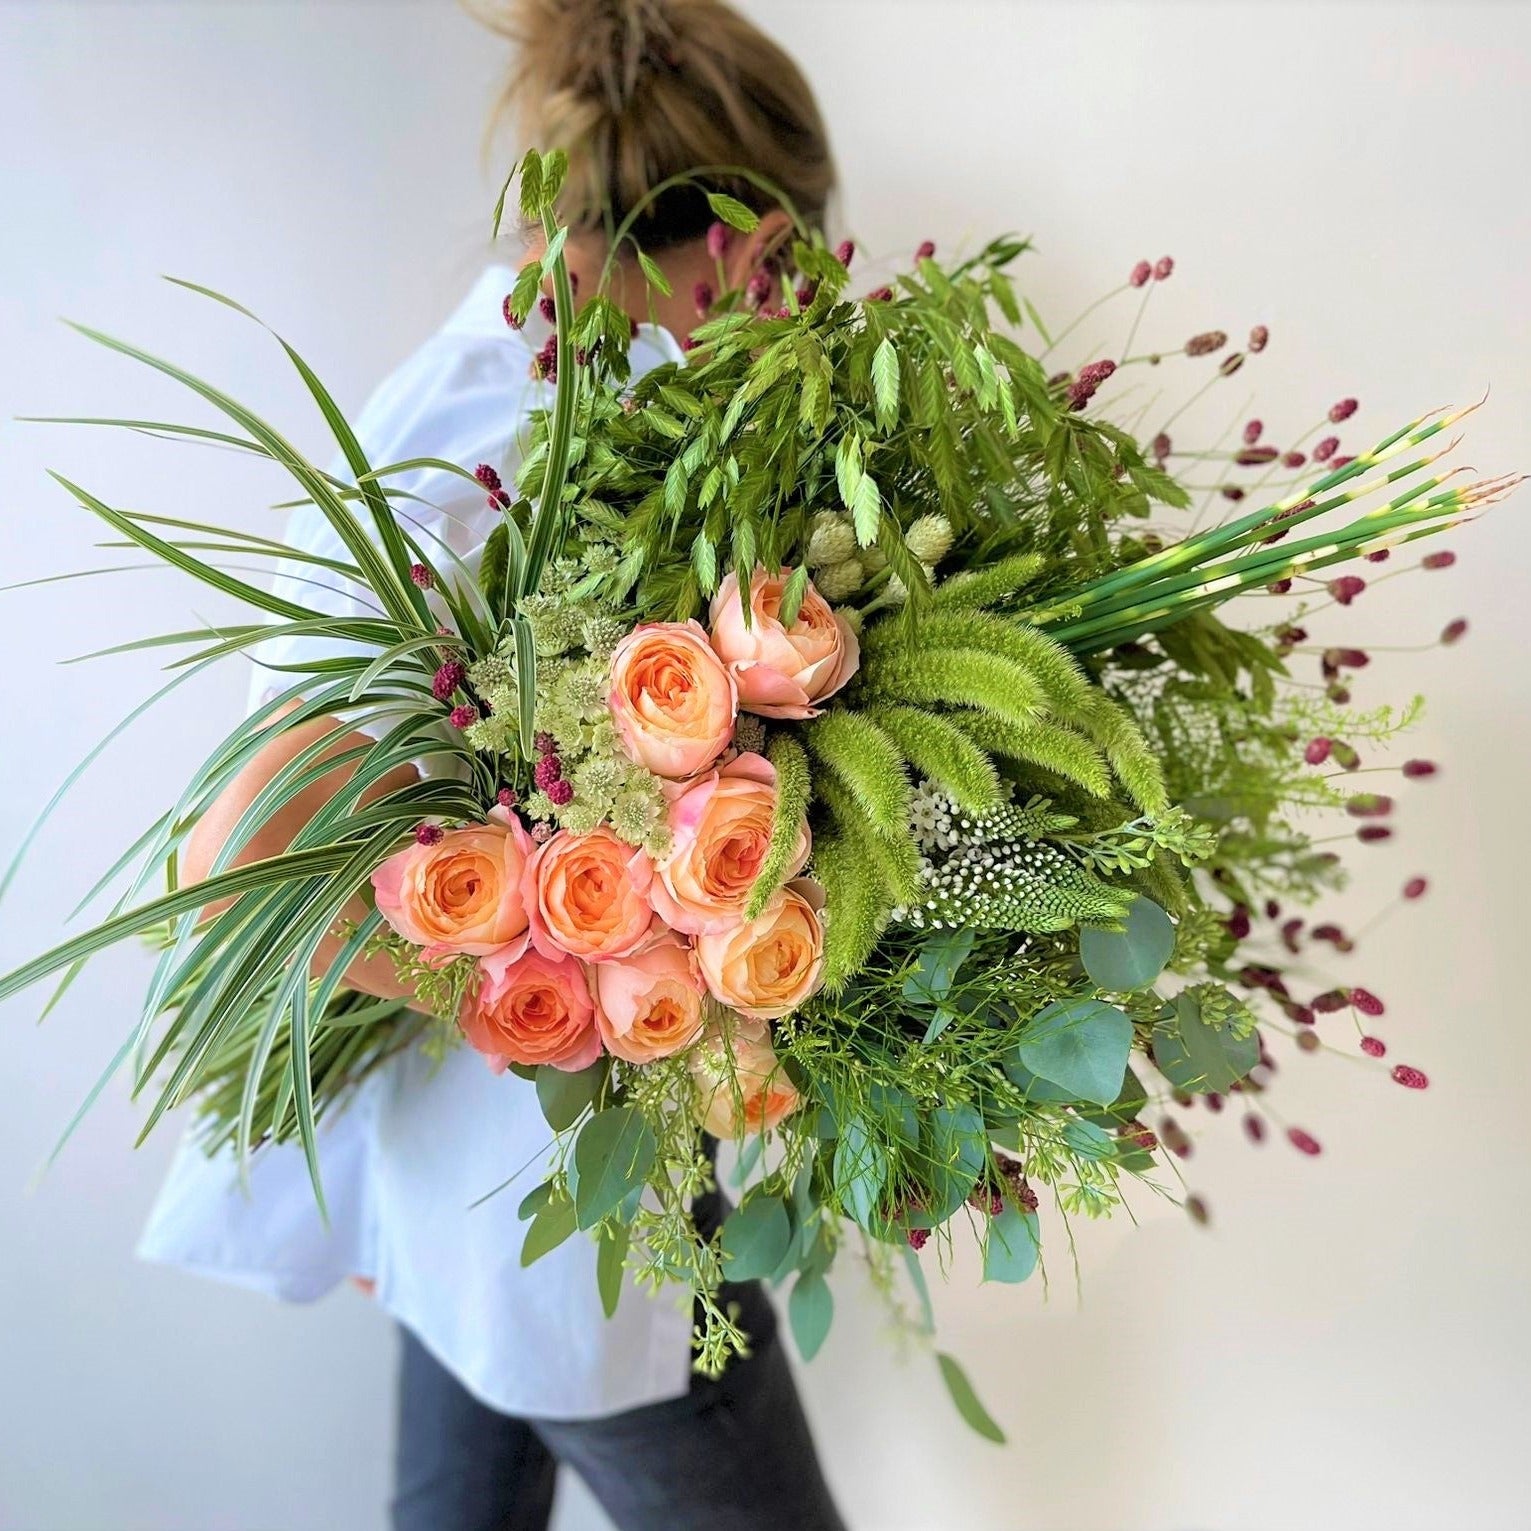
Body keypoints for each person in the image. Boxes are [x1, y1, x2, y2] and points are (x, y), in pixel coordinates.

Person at [137, 3, 847, 1527]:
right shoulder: (509, 428)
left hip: (478, 1192)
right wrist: (568, 1004)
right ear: (757, 247)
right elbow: (237, 852)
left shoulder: (524, 374)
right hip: (551, 1199)